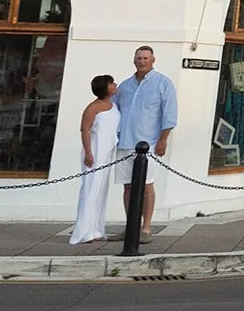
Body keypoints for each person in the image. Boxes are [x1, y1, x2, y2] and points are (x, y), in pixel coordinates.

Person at [113, 45, 178, 242]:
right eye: (139, 58)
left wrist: (162, 140)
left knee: (147, 185)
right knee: (127, 187)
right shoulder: (124, 86)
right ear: (134, 60)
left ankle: (146, 228)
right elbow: (114, 111)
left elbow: (170, 114)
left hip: (147, 144)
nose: (142, 61)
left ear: (153, 60)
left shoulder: (163, 83)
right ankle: (130, 226)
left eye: (145, 58)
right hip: (124, 143)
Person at [68, 74, 118, 246]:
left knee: (101, 191)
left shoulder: (113, 105)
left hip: (108, 152)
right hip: (95, 151)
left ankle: (96, 229)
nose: (115, 85)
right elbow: (85, 130)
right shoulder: (93, 108)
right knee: (90, 189)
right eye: (111, 83)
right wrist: (89, 153)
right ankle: (82, 231)